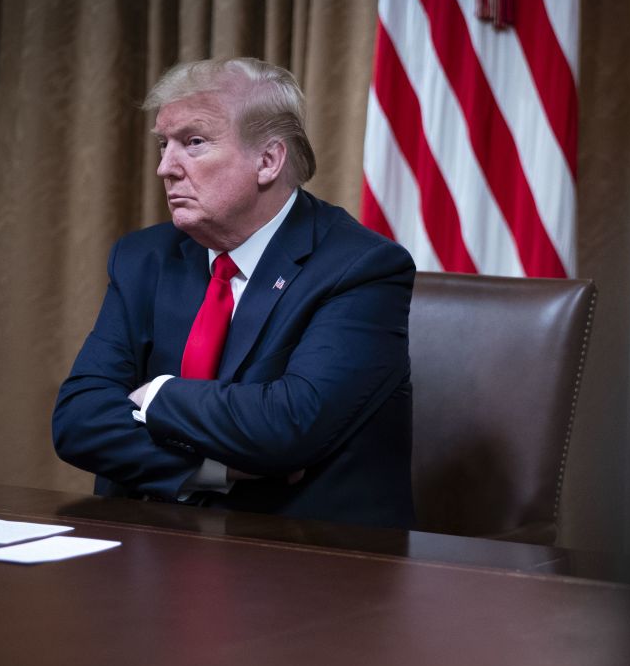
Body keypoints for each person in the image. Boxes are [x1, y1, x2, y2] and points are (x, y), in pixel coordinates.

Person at [52, 58, 415, 529]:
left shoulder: (360, 268)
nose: (166, 167)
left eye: (194, 143)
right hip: (153, 547)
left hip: (302, 562)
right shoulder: (143, 258)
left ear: (268, 160)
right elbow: (79, 421)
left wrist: (158, 394)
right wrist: (213, 471)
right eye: (164, 144)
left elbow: (287, 427)